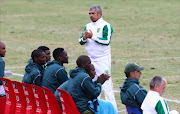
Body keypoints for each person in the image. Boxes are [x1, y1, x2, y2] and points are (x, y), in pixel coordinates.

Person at [78, 5, 117, 110]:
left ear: (99, 14)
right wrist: (85, 38)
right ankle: (95, 109)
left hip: (102, 60)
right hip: (90, 60)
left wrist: (92, 37)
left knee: (107, 86)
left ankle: (113, 110)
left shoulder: (106, 26)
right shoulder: (87, 26)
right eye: (89, 13)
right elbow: (80, 41)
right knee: (93, 86)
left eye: (93, 13)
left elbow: (106, 41)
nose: (91, 15)